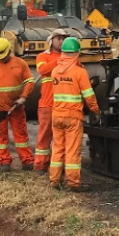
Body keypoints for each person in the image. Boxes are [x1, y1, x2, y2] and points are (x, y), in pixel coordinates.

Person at [0, 37, 35, 172]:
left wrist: (23, 97)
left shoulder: (20, 63)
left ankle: (27, 161)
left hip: (16, 107)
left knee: (21, 136)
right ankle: (4, 162)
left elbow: (30, 81)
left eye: (3, 56)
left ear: (9, 51)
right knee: (1, 137)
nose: (1, 59)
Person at [49, 37, 99, 191]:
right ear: (77, 53)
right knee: (72, 150)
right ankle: (73, 183)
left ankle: (55, 181)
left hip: (56, 115)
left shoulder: (55, 71)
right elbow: (89, 95)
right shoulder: (79, 72)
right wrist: (96, 110)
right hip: (73, 117)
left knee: (57, 148)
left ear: (63, 53)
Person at [33, 28, 70, 174]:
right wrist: (61, 60)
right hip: (47, 105)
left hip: (63, 105)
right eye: (58, 38)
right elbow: (43, 70)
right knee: (44, 136)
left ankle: (60, 167)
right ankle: (40, 166)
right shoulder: (43, 56)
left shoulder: (69, 57)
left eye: (63, 38)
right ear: (51, 40)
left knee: (62, 139)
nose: (61, 41)